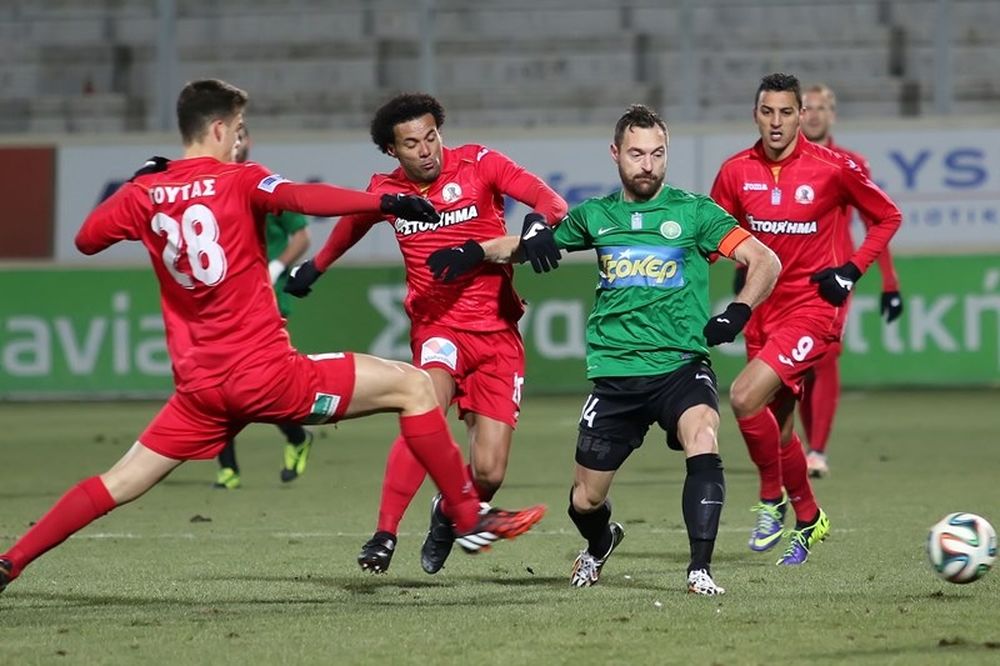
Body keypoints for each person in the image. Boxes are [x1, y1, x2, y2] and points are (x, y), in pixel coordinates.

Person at [0, 79, 545, 595]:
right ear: (217, 130)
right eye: (238, 130)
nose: (241, 140)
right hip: (268, 376)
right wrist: (381, 202)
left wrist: (141, 182)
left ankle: (12, 560)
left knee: (117, 481)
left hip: (199, 390)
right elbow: (304, 198)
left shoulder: (145, 194)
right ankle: (468, 517)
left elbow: (86, 238)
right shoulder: (241, 179)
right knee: (415, 389)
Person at [425, 104, 781, 595]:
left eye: (657, 154)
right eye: (636, 153)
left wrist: (738, 310)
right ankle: (598, 544)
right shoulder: (596, 217)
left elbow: (764, 259)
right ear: (616, 154)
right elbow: (526, 245)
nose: (648, 165)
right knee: (584, 502)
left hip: (681, 365)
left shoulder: (695, 212)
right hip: (615, 375)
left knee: (703, 433)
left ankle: (699, 568)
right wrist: (473, 251)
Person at [284, 93, 567, 575]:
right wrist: (316, 266)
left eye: (431, 136)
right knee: (424, 403)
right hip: (438, 326)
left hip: (498, 331)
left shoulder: (481, 163)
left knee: (490, 472)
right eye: (412, 143)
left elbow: (550, 200)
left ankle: (445, 517)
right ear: (392, 151)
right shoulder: (389, 192)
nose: (426, 150)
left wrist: (538, 226)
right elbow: (353, 224)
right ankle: (384, 533)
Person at [710, 73, 902, 565]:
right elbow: (710, 239)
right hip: (761, 310)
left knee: (743, 394)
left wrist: (852, 271)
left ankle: (771, 499)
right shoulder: (734, 172)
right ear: (755, 114)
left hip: (813, 308)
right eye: (767, 112)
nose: (777, 122)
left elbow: (888, 217)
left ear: (802, 116)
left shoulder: (833, 167)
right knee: (775, 423)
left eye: (786, 112)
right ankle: (809, 515)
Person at [798, 82, 904, 477]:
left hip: (837, 272)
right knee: (798, 364)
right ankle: (801, 447)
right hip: (791, 273)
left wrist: (889, 283)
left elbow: (878, 219)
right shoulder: (784, 161)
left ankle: (817, 450)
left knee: (824, 356)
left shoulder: (849, 162)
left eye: (821, 107)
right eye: (806, 107)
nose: (813, 114)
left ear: (833, 114)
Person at [210, 124, 315, 489]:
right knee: (216, 379)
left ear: (249, 142)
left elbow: (302, 236)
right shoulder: (209, 186)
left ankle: (297, 436)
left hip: (267, 297)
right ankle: (228, 469)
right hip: (224, 301)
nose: (236, 144)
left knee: (258, 386)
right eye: (230, 137)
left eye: (242, 137)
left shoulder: (263, 182)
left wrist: (276, 266)